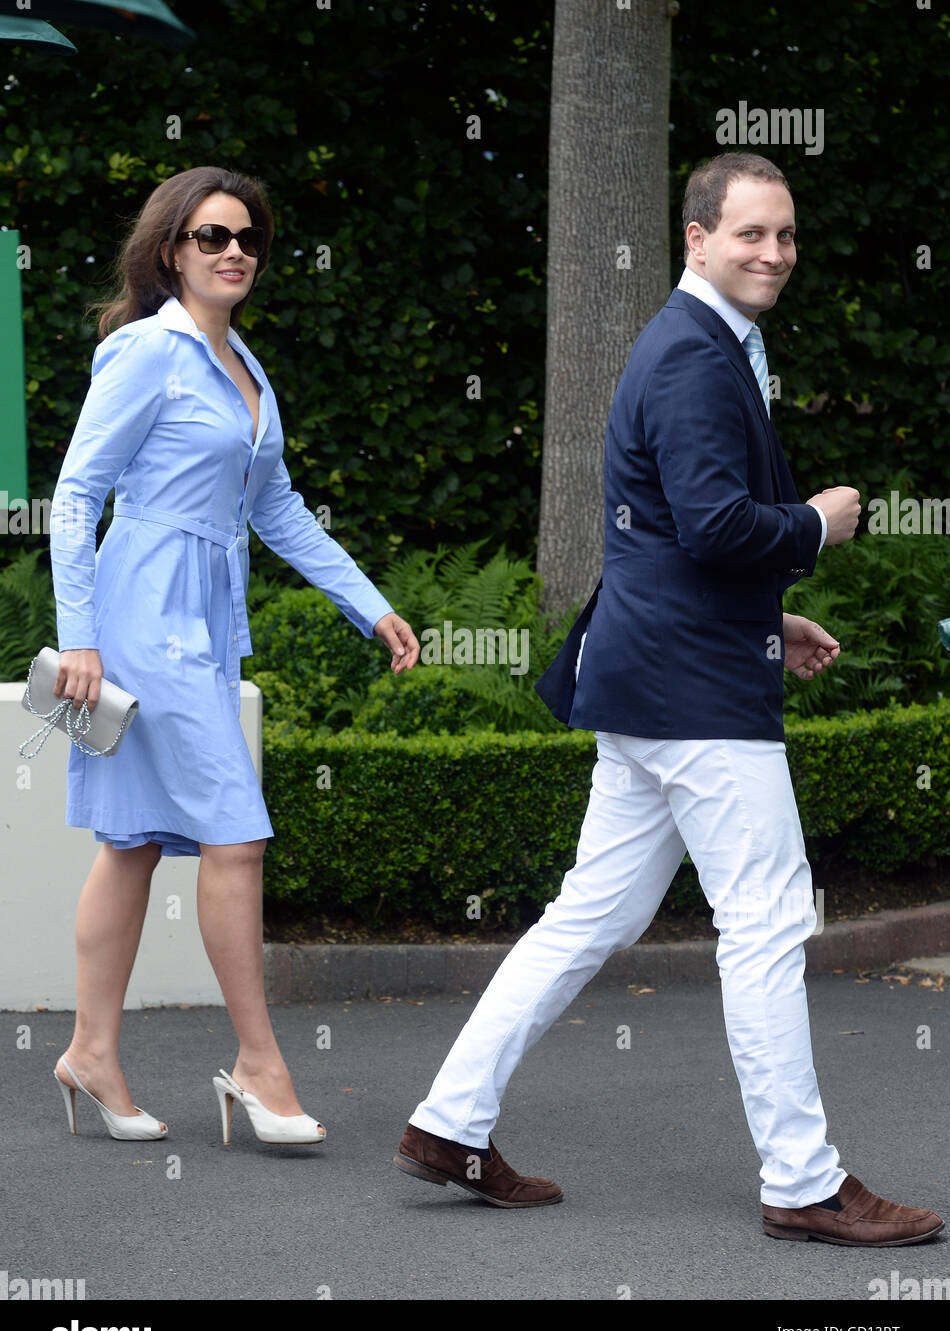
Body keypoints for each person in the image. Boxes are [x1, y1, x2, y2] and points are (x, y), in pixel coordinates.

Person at [394, 152, 944, 1247]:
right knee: (766, 924)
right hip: (693, 697)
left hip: (652, 673)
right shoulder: (694, 355)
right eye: (749, 233)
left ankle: (448, 1121)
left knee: (588, 914)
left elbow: (662, 539)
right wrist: (815, 527)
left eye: (783, 235)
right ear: (694, 237)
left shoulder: (690, 341)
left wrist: (763, 619)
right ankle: (800, 1179)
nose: (772, 254)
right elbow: (713, 523)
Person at [48, 166, 420, 1146]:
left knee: (129, 839)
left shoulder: (245, 363)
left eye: (247, 237)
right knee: (237, 833)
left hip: (202, 621)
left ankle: (90, 1052)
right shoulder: (145, 352)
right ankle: (259, 1065)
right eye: (211, 237)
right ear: (171, 251)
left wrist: (367, 604)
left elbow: (277, 508)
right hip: (140, 614)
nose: (233, 252)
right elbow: (79, 495)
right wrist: (79, 636)